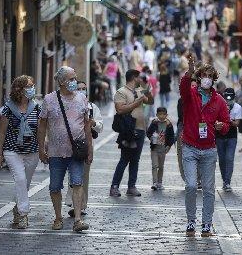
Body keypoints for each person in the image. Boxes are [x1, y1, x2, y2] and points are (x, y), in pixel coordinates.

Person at [180, 55, 230, 237]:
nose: (207, 78)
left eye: (210, 75)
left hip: (209, 149)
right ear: (199, 77)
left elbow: (227, 123)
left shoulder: (219, 101)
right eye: (204, 75)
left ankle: (207, 223)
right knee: (191, 186)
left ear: (214, 79)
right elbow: (183, 87)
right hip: (190, 146)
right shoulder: (190, 94)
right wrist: (190, 71)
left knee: (209, 189)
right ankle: (191, 221)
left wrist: (221, 126)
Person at [38, 66, 93, 232]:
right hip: (55, 152)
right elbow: (42, 126)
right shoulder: (49, 99)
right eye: (71, 79)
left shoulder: (82, 98)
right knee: (55, 186)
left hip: (76, 151)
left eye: (75, 78)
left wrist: (90, 150)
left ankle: (77, 220)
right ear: (61, 82)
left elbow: (87, 126)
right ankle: (58, 217)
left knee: (77, 183)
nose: (74, 82)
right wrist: (41, 148)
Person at [0, 75, 40, 229]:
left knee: (24, 185)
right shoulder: (8, 108)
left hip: (32, 151)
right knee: (20, 180)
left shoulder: (37, 107)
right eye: (28, 86)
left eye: (32, 85)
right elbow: (1, 133)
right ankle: (23, 214)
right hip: (12, 150)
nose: (32, 88)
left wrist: (44, 150)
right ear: (19, 89)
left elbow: (41, 131)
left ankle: (17, 208)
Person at [110, 69, 154, 197]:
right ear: (134, 78)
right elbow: (120, 109)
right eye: (139, 77)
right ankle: (114, 186)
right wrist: (137, 102)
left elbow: (150, 101)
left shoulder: (139, 90)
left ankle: (131, 186)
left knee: (135, 160)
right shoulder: (121, 92)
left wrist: (148, 91)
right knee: (124, 159)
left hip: (141, 129)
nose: (141, 79)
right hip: (128, 130)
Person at [65, 81, 104, 218]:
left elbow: (100, 125)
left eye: (84, 89)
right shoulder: (68, 105)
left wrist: (93, 123)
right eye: (79, 88)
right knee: (73, 175)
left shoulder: (92, 107)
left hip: (85, 144)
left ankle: (80, 206)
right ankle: (73, 203)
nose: (82, 91)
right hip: (69, 143)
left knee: (84, 176)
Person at [216, 88, 242, 192]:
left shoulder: (237, 107)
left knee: (229, 158)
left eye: (230, 97)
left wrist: (227, 119)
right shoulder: (219, 106)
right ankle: (224, 179)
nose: (228, 99)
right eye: (226, 97)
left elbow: (237, 123)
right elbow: (216, 121)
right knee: (222, 159)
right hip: (220, 136)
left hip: (232, 136)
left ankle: (227, 181)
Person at [146, 107, 175, 190]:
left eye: (163, 114)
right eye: (160, 114)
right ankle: (154, 182)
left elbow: (171, 136)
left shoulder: (169, 125)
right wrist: (151, 138)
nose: (161, 116)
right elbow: (148, 132)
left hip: (163, 148)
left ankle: (160, 182)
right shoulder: (154, 123)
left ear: (166, 115)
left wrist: (169, 145)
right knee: (154, 165)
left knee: (161, 166)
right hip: (155, 148)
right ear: (157, 115)